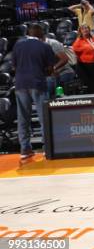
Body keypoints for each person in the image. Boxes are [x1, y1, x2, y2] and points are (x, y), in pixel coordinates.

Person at [12, 23, 55, 160]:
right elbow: (50, 69)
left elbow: (14, 65)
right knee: (43, 117)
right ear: (41, 34)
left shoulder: (18, 45)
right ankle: (46, 148)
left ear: (29, 33)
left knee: (23, 118)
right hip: (37, 82)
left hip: (20, 84)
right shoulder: (45, 46)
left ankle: (25, 149)